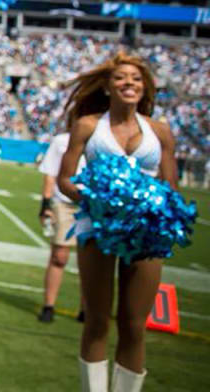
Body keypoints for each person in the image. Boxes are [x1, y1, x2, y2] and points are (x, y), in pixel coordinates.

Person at [57, 52, 176, 392]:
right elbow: (66, 180)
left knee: (135, 324)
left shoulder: (160, 132)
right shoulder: (88, 126)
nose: (129, 83)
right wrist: (97, 200)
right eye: (121, 78)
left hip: (146, 232)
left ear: (144, 87)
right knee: (96, 320)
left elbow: (171, 188)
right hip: (98, 227)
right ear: (108, 87)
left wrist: (150, 206)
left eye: (136, 79)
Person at [37, 129, 84, 323]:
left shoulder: (103, 140)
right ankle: (49, 305)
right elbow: (50, 174)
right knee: (59, 255)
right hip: (63, 202)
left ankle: (87, 308)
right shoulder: (62, 141)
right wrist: (45, 205)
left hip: (92, 205)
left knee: (91, 260)